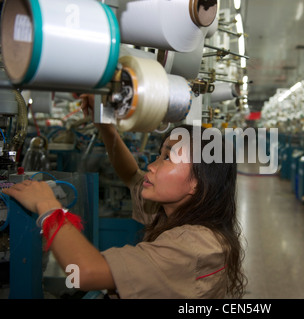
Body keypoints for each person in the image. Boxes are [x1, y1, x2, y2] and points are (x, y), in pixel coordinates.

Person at [3, 94, 247, 299]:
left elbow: (85, 272)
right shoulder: (174, 212)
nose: (152, 165)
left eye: (168, 157)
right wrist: (105, 126)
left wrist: (47, 206)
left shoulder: (197, 246)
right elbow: (131, 175)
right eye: (159, 154)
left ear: (198, 182)